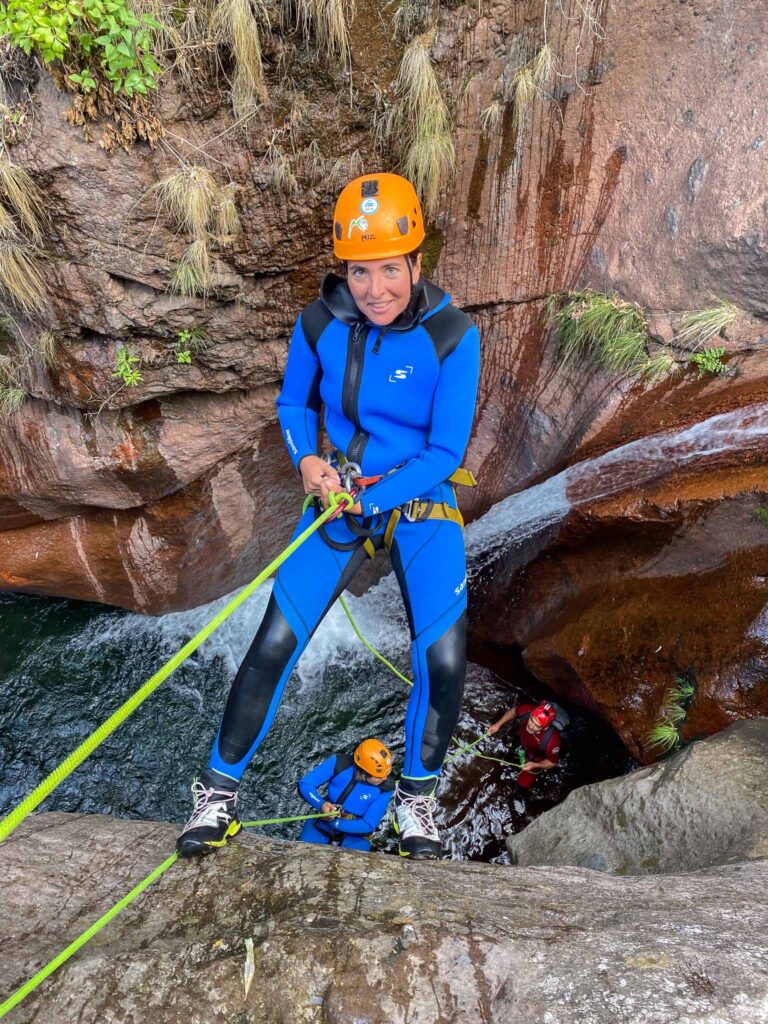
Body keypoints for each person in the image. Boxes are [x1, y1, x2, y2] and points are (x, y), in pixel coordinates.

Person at [176, 172, 481, 861]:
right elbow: (293, 407)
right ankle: (216, 797)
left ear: (416, 264)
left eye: (389, 271)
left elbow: (445, 451)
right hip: (334, 495)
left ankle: (416, 804)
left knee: (444, 656)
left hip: (418, 502)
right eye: (360, 271)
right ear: (344, 269)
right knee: (275, 641)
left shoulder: (453, 337)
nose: (375, 289)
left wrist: (370, 496)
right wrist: (309, 466)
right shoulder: (319, 324)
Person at [297, 738, 395, 852]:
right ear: (363, 773)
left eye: (387, 773)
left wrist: (335, 822)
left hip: (355, 833)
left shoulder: (384, 789)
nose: (385, 778)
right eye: (378, 776)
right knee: (302, 853)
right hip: (322, 823)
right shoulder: (339, 764)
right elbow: (305, 784)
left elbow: (368, 825)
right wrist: (321, 804)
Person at [488, 702, 563, 808]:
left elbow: (552, 762)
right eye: (531, 720)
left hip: (536, 756)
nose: (531, 726)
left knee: (521, 785)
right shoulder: (526, 710)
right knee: (507, 763)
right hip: (522, 741)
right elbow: (513, 712)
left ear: (545, 728)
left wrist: (535, 765)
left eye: (537, 726)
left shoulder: (552, 741)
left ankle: (518, 796)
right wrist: (498, 724)